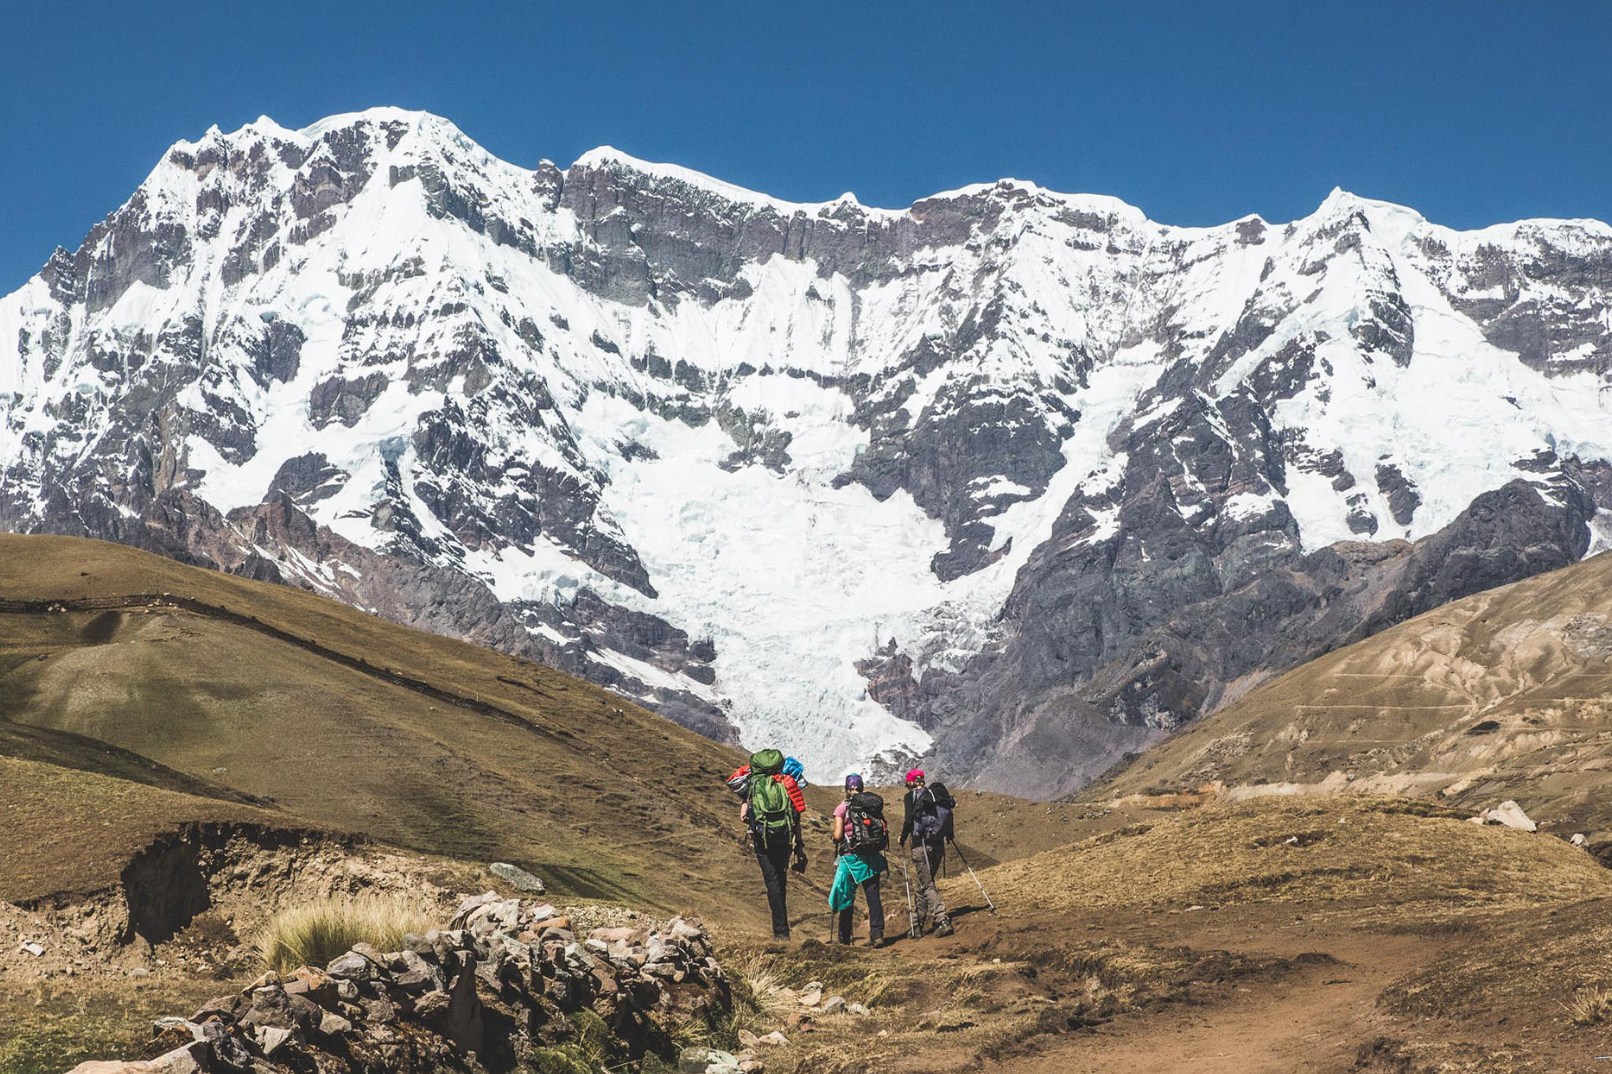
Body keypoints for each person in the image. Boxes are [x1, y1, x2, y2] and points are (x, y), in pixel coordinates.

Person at [738, 749, 807, 940]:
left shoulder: (754, 784)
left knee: (772, 882)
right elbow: (797, 817)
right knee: (781, 879)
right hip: (785, 839)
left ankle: (781, 933)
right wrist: (798, 844)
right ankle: (783, 930)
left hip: (762, 841)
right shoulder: (787, 783)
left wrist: (758, 822)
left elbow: (743, 816)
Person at [829, 774, 887, 946]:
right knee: (873, 895)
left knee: (847, 895)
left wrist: (834, 838)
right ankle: (877, 935)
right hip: (871, 857)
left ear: (847, 789)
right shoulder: (871, 806)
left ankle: (844, 938)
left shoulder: (842, 808)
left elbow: (838, 835)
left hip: (850, 859)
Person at [898, 768, 954, 936]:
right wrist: (949, 834)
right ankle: (917, 925)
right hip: (937, 846)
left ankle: (942, 919)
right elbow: (949, 816)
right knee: (922, 884)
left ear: (911, 782)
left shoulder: (911, 797)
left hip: (920, 845)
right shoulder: (936, 796)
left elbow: (909, 820)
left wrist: (903, 836)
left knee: (926, 884)